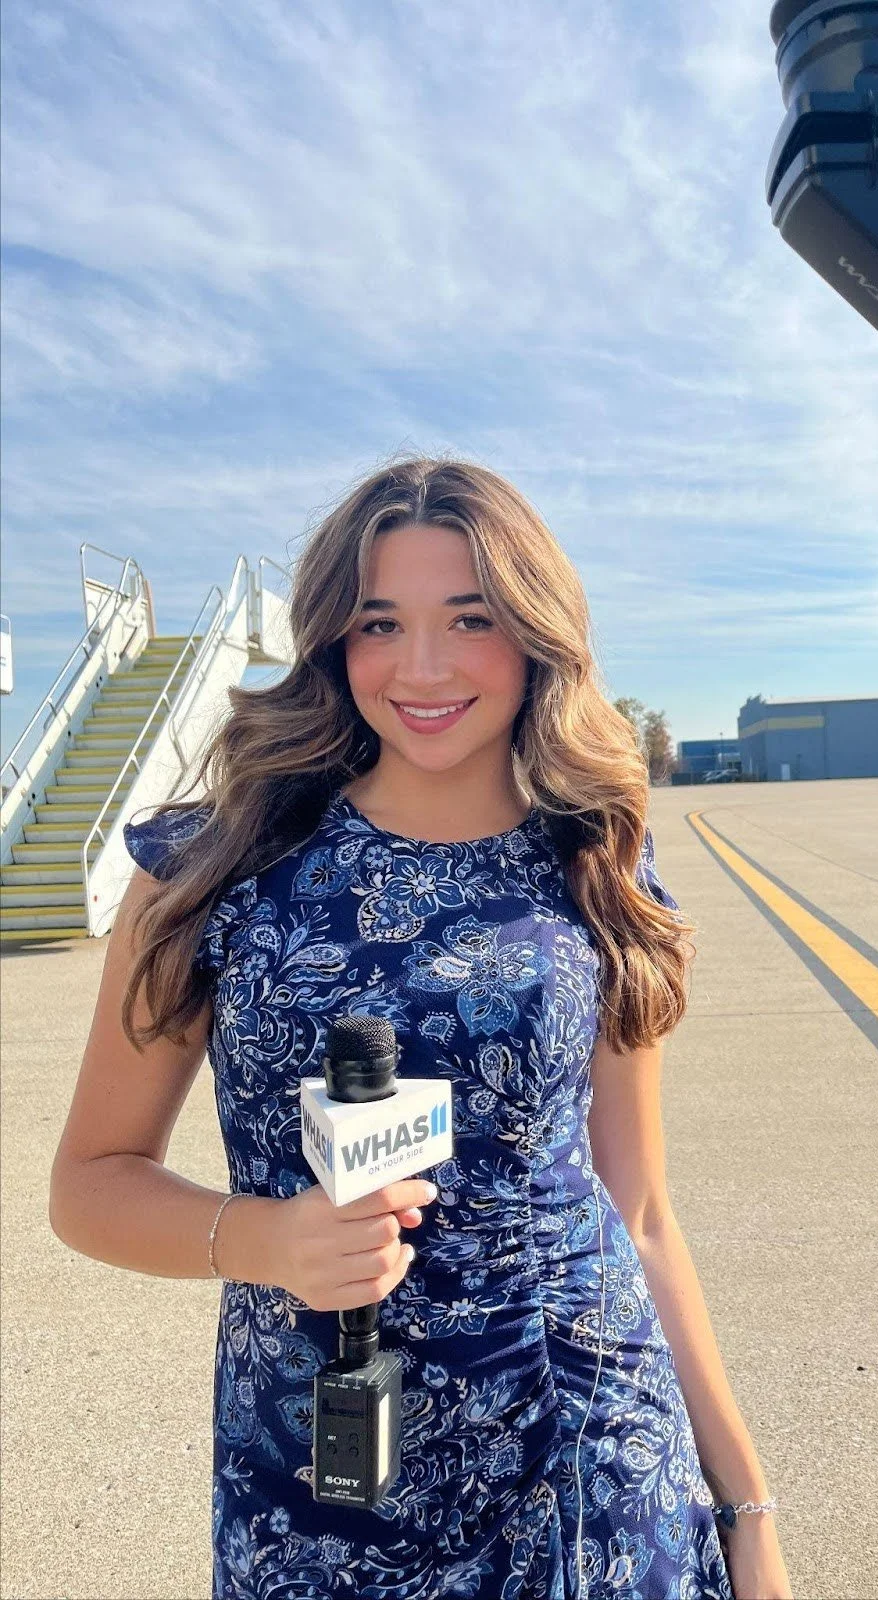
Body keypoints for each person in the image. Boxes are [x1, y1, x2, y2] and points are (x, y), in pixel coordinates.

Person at [49, 457, 791, 1600]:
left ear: (536, 634)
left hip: (587, 1453)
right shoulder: (213, 868)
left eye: (472, 618)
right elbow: (91, 1183)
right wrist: (266, 1241)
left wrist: (746, 1509)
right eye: (381, 622)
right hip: (318, 1472)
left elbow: (636, 1209)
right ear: (334, 645)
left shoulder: (598, 864)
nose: (426, 666)